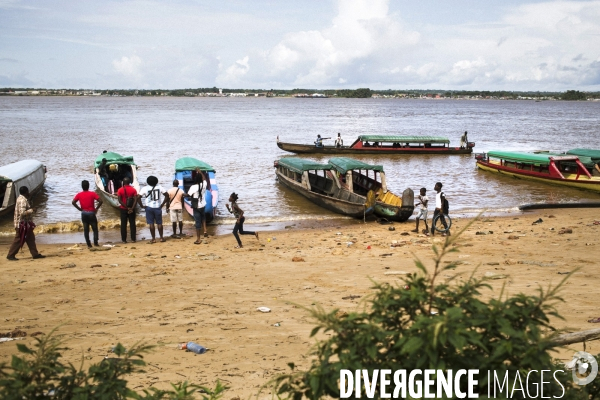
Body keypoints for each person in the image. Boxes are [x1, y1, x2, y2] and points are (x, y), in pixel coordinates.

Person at [6, 186, 45, 261]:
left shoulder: (20, 198)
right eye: (28, 192)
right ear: (26, 192)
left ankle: (35, 254)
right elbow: (22, 213)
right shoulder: (22, 200)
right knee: (19, 239)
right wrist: (32, 210)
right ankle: (10, 255)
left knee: (30, 238)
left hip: (26, 224)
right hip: (21, 224)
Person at [72, 180, 103, 247]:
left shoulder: (79, 194)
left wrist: (80, 209)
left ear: (82, 186)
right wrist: (96, 209)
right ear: (88, 186)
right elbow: (100, 201)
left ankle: (88, 244)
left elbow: (73, 202)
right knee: (95, 229)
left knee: (86, 230)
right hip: (92, 214)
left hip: (84, 214)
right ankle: (95, 243)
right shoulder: (92, 193)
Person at [138, 176, 168, 243]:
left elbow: (138, 197)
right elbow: (167, 195)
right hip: (157, 207)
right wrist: (162, 204)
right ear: (156, 181)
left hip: (149, 207)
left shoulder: (145, 188)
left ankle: (153, 239)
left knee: (151, 223)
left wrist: (142, 205)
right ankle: (161, 238)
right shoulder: (160, 187)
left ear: (147, 182)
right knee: (159, 223)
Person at [187, 172, 207, 244]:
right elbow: (204, 178)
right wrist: (200, 172)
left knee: (197, 222)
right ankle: (205, 230)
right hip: (203, 204)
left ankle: (198, 239)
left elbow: (188, 195)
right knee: (203, 217)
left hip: (196, 205)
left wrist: (183, 194)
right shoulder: (204, 184)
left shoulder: (193, 187)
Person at [117, 177, 137, 243]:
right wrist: (132, 208)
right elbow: (135, 200)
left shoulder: (120, 190)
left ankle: (124, 240)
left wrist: (126, 207)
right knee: (132, 224)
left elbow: (119, 200)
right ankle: (133, 239)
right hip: (132, 209)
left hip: (123, 209)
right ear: (129, 182)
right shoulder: (133, 190)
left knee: (123, 224)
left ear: (123, 182)